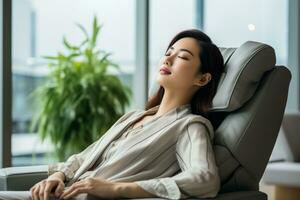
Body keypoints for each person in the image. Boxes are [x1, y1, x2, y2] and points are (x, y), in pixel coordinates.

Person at [0, 29, 224, 200]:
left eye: (183, 57)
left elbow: (205, 178)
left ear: (202, 79)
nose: (168, 60)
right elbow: (83, 157)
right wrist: (56, 176)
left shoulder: (190, 125)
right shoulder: (133, 117)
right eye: (168, 53)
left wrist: (117, 189)